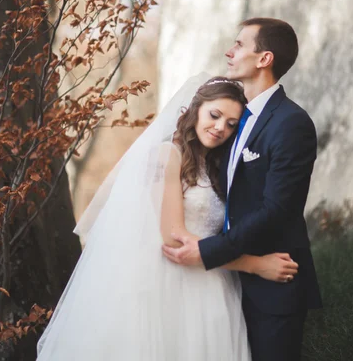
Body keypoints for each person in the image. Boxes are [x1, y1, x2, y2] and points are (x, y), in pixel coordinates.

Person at [36, 75, 300, 360]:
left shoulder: (214, 166)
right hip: (172, 288)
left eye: (231, 124)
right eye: (215, 115)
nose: (220, 127)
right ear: (195, 108)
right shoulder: (166, 155)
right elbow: (175, 239)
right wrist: (255, 265)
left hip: (216, 286)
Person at [162, 18, 324, 361]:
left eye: (239, 45)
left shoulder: (290, 123)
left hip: (273, 287)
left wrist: (211, 251)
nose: (229, 51)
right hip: (226, 286)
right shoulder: (234, 123)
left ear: (264, 59)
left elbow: (277, 210)